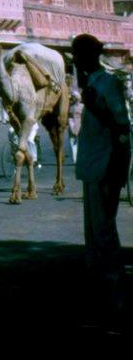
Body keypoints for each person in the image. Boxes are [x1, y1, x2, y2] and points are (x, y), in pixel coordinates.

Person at [71, 33, 131, 330]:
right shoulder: (91, 85)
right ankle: (100, 298)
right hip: (92, 167)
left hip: (106, 167)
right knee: (93, 236)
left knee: (105, 235)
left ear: (87, 57)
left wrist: (119, 171)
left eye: (76, 55)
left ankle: (118, 300)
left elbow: (122, 128)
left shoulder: (108, 84)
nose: (74, 60)